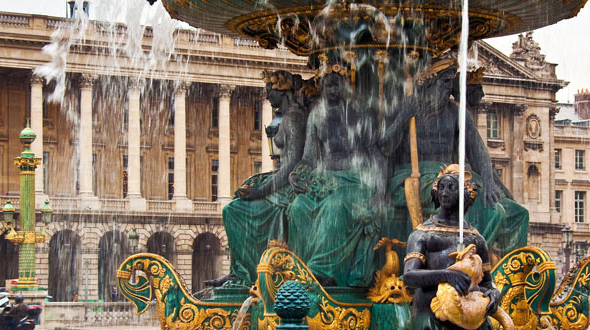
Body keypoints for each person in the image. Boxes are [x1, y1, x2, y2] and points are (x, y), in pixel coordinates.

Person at [383, 58, 528, 257]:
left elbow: (478, 151)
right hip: (420, 175)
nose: (449, 90)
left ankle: (509, 273)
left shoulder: (455, 113)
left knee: (518, 213)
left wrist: (488, 180)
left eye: (451, 84)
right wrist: (403, 118)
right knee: (492, 211)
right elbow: (385, 147)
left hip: (454, 175)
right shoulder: (411, 108)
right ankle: (464, 258)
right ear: (430, 84)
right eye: (444, 83)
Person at [402, 165, 503, 330]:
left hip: (470, 318)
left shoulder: (476, 238)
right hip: (432, 316)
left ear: (465, 195)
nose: (445, 192)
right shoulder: (422, 233)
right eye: (442, 187)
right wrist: (447, 275)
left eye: (452, 188)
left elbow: (487, 283)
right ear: (436, 193)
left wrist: (494, 294)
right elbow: (409, 277)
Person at [287, 65, 382, 287]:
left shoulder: (359, 112)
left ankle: (322, 271)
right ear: (321, 87)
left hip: (356, 181)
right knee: (298, 207)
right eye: (328, 85)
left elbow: (375, 154)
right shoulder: (316, 115)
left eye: (337, 85)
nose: (332, 90)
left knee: (335, 207)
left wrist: (379, 191)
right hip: (326, 180)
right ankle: (300, 269)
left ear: (345, 86)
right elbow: (309, 157)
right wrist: (295, 174)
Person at [215, 70, 308, 286]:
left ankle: (244, 273)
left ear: (282, 91)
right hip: (284, 183)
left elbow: (292, 165)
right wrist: (260, 181)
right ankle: (242, 271)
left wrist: (261, 190)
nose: (267, 97)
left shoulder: (293, 118)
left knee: (233, 211)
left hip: (289, 189)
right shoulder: (288, 117)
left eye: (269, 91)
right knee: (239, 200)